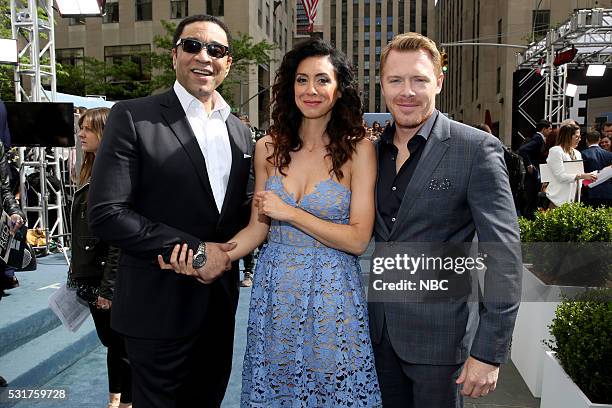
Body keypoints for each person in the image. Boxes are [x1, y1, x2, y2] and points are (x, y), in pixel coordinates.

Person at [162, 38, 381, 407]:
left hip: (333, 292)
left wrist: (291, 212)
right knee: (279, 388)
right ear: (289, 86)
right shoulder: (268, 148)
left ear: (339, 88)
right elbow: (257, 228)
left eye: (322, 80)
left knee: (333, 387)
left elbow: (358, 239)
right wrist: (215, 255)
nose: (310, 90)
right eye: (301, 79)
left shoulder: (359, 149)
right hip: (276, 290)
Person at [88, 14, 253, 408]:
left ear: (228, 63)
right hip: (156, 306)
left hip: (218, 309)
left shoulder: (241, 132)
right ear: (174, 54)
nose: (204, 57)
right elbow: (108, 212)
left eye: (216, 50)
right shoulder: (132, 115)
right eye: (193, 45)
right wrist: (195, 252)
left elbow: (240, 214)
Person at [369, 32, 522, 408]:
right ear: (382, 85)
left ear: (438, 81)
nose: (407, 91)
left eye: (419, 79)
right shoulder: (369, 152)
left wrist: (488, 352)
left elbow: (503, 256)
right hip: (375, 333)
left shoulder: (475, 149)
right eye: (396, 80)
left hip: (441, 339)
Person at [67, 108, 132, 408]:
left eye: (88, 129)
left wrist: (109, 287)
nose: (81, 133)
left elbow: (119, 238)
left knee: (120, 345)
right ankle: (116, 400)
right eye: (81, 127)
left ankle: (124, 402)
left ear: (105, 133)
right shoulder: (89, 169)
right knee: (113, 344)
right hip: (91, 276)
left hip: (107, 278)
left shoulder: (114, 172)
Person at [545, 124, 597, 207]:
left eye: (579, 137)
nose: (579, 139)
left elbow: (579, 177)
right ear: (568, 136)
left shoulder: (577, 153)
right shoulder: (556, 151)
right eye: (577, 137)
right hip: (558, 200)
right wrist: (583, 176)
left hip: (574, 199)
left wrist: (591, 178)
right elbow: (561, 176)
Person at [518, 119, 552, 218]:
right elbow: (522, 150)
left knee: (533, 197)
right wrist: (529, 164)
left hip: (536, 171)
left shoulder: (540, 138)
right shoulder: (538, 138)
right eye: (549, 129)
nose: (550, 131)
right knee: (532, 197)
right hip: (534, 172)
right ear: (544, 129)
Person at [581, 130, 612, 207]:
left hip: (589, 191)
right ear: (599, 140)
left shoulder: (582, 154)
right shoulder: (609, 155)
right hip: (608, 192)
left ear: (586, 140)